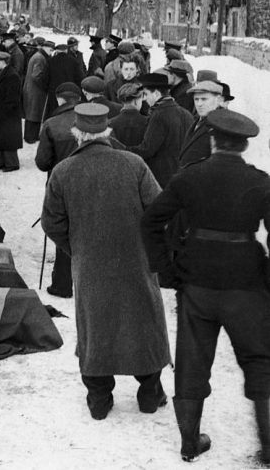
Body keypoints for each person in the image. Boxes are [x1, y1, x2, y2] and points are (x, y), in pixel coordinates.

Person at [141, 109, 270, 465]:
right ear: (244, 145)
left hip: (195, 281)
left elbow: (151, 221)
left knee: (192, 362)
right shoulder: (262, 182)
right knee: (260, 361)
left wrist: (165, 269)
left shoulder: (188, 178)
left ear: (212, 140)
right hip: (247, 283)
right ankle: (269, 447)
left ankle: (189, 444)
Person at [41, 102, 171, 421]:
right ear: (108, 131)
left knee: (95, 326)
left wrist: (78, 248)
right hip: (136, 261)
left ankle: (99, 397)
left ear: (77, 133)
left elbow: (51, 223)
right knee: (144, 322)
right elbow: (160, 213)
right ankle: (150, 393)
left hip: (90, 263)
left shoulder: (63, 171)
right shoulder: (134, 163)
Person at [35, 82, 82, 299]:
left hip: (60, 186)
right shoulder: (94, 122)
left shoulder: (51, 124)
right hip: (91, 185)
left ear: (59, 99)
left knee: (63, 231)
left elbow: (43, 162)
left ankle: (62, 284)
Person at [127, 73, 193, 188]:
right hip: (183, 176)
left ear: (156, 93)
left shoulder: (159, 114)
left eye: (146, 94)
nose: (145, 99)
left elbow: (147, 149)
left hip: (161, 178)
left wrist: (123, 149)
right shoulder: (186, 114)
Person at [0, 51, 23, 171]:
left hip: (8, 113)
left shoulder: (11, 75)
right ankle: (3, 162)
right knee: (3, 139)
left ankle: (11, 163)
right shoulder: (5, 73)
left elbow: (12, 97)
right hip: (3, 112)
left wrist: (4, 110)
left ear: (2, 61)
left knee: (8, 140)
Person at [178, 80, 223, 168]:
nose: (199, 104)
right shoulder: (197, 121)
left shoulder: (220, 125)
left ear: (217, 100)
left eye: (204, 99)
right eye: (196, 99)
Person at [23, 40, 54, 143]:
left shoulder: (37, 56)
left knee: (32, 113)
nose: (51, 52)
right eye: (50, 50)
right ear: (45, 48)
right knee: (34, 113)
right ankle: (31, 137)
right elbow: (36, 75)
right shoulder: (40, 58)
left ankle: (30, 136)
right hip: (36, 91)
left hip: (32, 89)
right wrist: (45, 86)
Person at [47, 44, 85, 117]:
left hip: (54, 92)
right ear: (66, 50)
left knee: (54, 113)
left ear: (57, 51)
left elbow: (45, 78)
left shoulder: (50, 61)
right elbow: (80, 77)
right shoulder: (73, 61)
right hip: (70, 91)